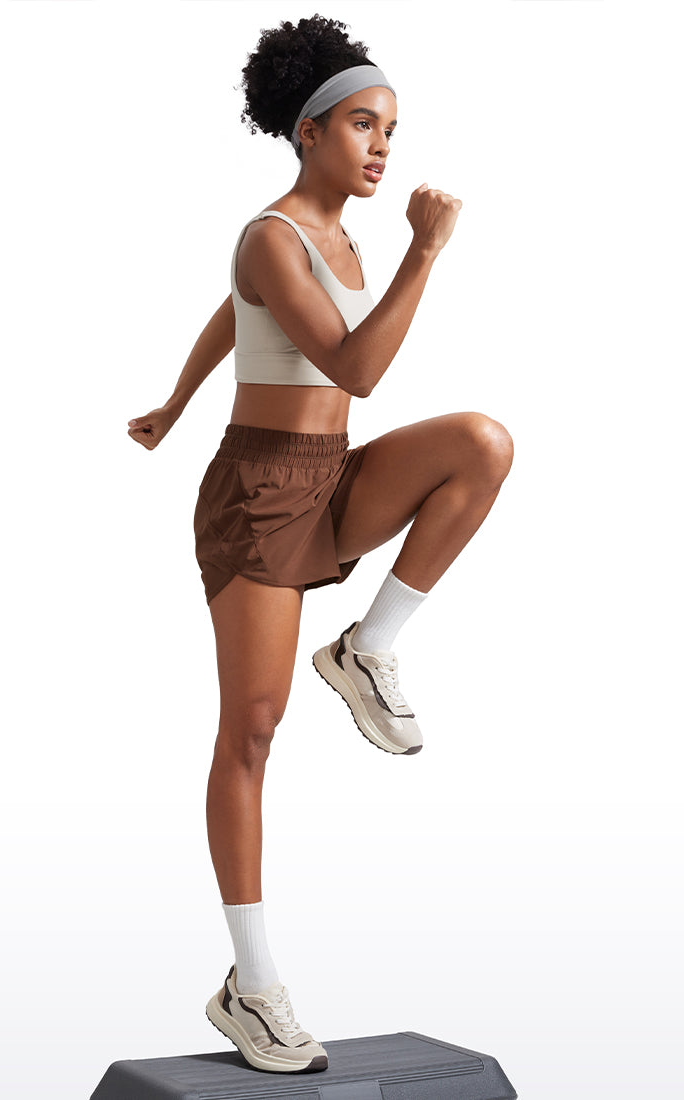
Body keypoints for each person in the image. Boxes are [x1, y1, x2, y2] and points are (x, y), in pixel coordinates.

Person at [127, 14, 513, 1076]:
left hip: (329, 478)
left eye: (391, 129)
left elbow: (234, 315)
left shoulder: (335, 239)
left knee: (480, 444)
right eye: (361, 125)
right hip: (257, 495)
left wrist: (173, 398)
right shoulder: (272, 233)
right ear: (307, 132)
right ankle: (250, 986)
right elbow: (354, 369)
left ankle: (366, 646)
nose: (381, 147)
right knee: (252, 731)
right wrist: (427, 252)